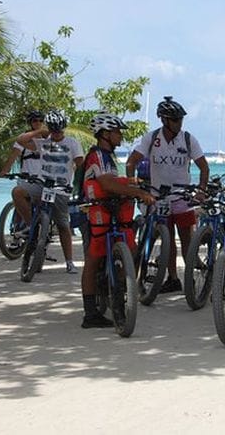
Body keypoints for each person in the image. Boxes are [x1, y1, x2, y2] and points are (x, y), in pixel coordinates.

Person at [126, 96, 209, 294]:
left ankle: (190, 277)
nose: (179, 124)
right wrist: (133, 185)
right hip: (159, 197)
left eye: (181, 120)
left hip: (182, 197)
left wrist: (201, 190)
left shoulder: (188, 139)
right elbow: (131, 162)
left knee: (187, 240)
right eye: (175, 120)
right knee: (167, 240)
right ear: (164, 120)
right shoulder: (152, 138)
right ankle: (172, 278)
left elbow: (204, 168)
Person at [80, 113, 155, 328]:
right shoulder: (97, 155)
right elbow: (107, 184)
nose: (120, 136)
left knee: (128, 249)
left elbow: (112, 181)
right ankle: (90, 314)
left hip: (111, 209)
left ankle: (119, 295)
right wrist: (139, 193)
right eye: (117, 132)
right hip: (96, 211)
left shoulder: (107, 156)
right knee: (93, 258)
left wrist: (131, 182)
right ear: (105, 134)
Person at [16, 109, 84, 274]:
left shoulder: (72, 143)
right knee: (17, 192)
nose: (56, 133)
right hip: (42, 185)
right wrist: (40, 131)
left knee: (63, 225)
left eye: (59, 130)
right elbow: (21, 140)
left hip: (61, 189)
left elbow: (81, 164)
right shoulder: (43, 142)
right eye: (53, 130)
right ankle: (31, 225)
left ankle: (69, 262)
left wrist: (77, 186)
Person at [0, 110, 45, 250]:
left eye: (40, 120)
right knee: (19, 204)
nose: (37, 123)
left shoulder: (48, 140)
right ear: (30, 123)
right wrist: (4, 171)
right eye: (34, 121)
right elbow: (13, 157)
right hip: (26, 179)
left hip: (43, 180)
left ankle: (44, 232)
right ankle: (19, 235)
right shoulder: (23, 140)